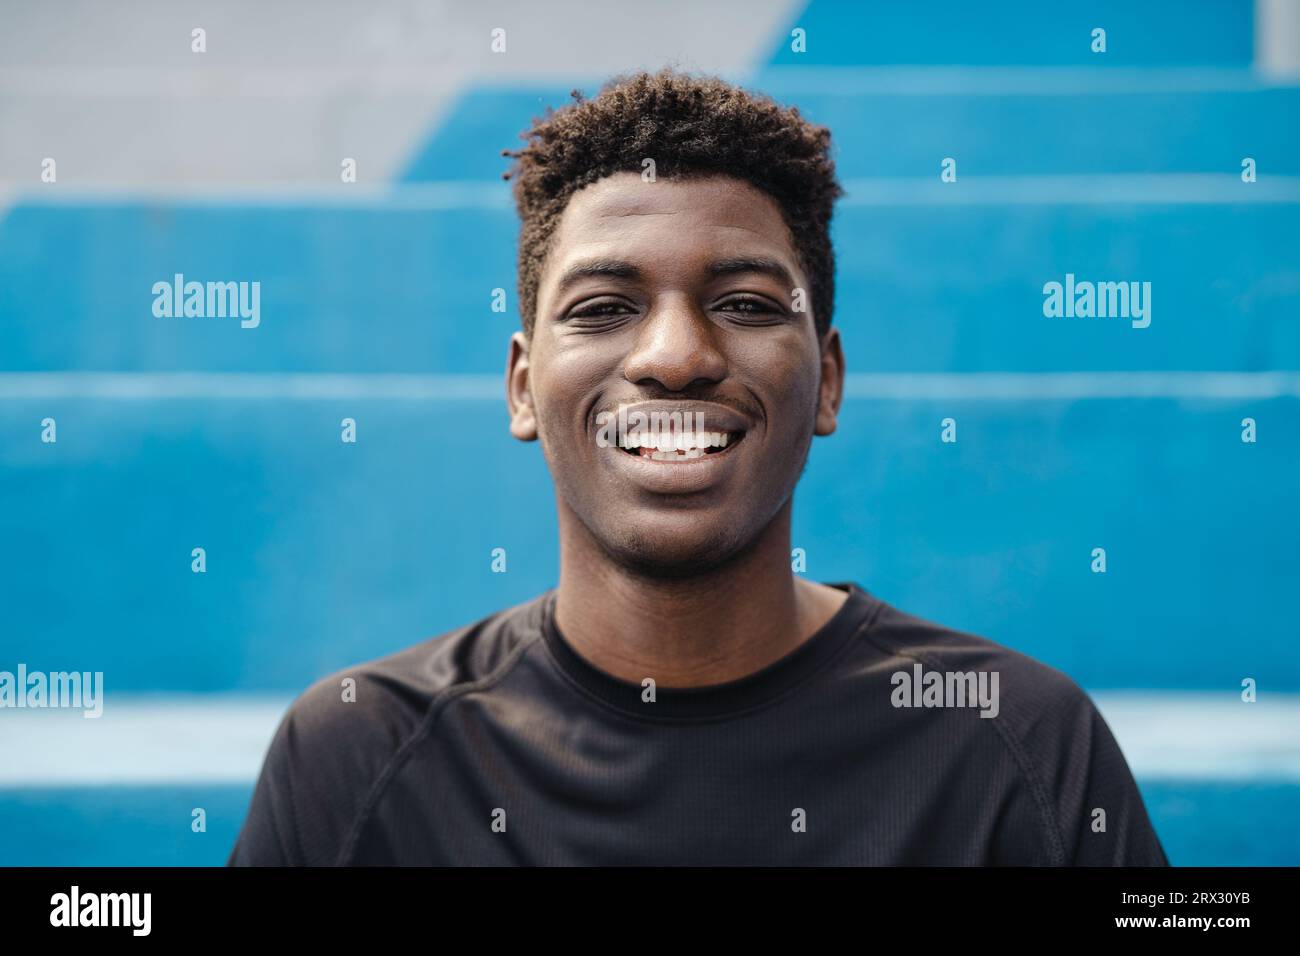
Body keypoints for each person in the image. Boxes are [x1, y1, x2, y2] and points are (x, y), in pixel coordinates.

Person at [228, 68, 1169, 866]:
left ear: (828, 384)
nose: (675, 356)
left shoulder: (1020, 744)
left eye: (749, 305)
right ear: (522, 388)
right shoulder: (357, 758)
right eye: (602, 308)